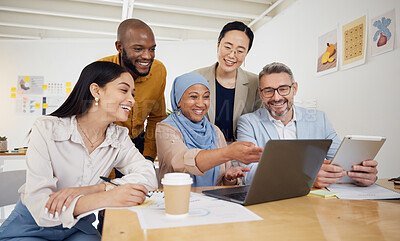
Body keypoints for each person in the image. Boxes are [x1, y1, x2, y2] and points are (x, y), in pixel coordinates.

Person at [0, 62, 157, 240]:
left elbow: (148, 176)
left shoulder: (118, 137)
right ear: (96, 91)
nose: (132, 100)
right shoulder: (47, 129)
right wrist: (108, 197)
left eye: (133, 93)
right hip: (32, 226)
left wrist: (97, 189)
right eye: (124, 90)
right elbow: (40, 205)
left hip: (77, 227)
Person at [237, 62, 378, 188]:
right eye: (268, 91)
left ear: (295, 88)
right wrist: (307, 176)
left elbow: (341, 163)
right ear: (261, 95)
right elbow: (247, 175)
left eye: (283, 89)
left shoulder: (319, 119)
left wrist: (362, 175)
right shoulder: (248, 122)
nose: (276, 97)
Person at [156, 73, 263, 187]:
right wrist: (228, 152)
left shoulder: (214, 131)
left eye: (206, 96)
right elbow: (182, 162)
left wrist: (228, 177)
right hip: (179, 201)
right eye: (193, 97)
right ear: (178, 100)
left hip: (211, 202)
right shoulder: (166, 129)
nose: (201, 104)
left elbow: (220, 182)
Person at [99, 18, 167, 162]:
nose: (147, 56)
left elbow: (156, 117)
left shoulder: (159, 70)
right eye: (138, 49)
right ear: (119, 47)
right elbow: (90, 120)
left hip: (138, 141)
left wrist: (148, 157)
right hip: (105, 143)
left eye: (152, 49)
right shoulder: (99, 70)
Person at [193, 21, 261, 142]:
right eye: (228, 47)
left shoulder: (256, 83)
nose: (231, 55)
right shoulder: (196, 78)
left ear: (246, 54)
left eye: (240, 51)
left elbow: (259, 125)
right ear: (218, 45)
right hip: (204, 149)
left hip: (240, 151)